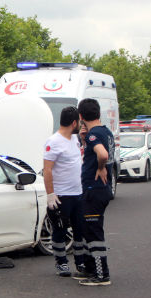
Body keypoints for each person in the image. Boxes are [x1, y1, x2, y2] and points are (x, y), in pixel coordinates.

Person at [73, 98, 113, 286]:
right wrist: (84, 138)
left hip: (94, 189)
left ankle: (101, 274)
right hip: (101, 190)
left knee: (94, 232)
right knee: (89, 230)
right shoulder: (104, 131)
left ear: (81, 116)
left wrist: (100, 167)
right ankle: (91, 269)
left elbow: (103, 154)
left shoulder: (93, 135)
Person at [43, 106, 86, 277]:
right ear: (74, 122)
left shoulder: (74, 138)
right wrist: (50, 194)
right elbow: (47, 170)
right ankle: (61, 263)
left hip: (78, 193)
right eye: (79, 123)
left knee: (79, 229)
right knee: (60, 230)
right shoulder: (53, 141)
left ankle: (81, 261)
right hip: (62, 194)